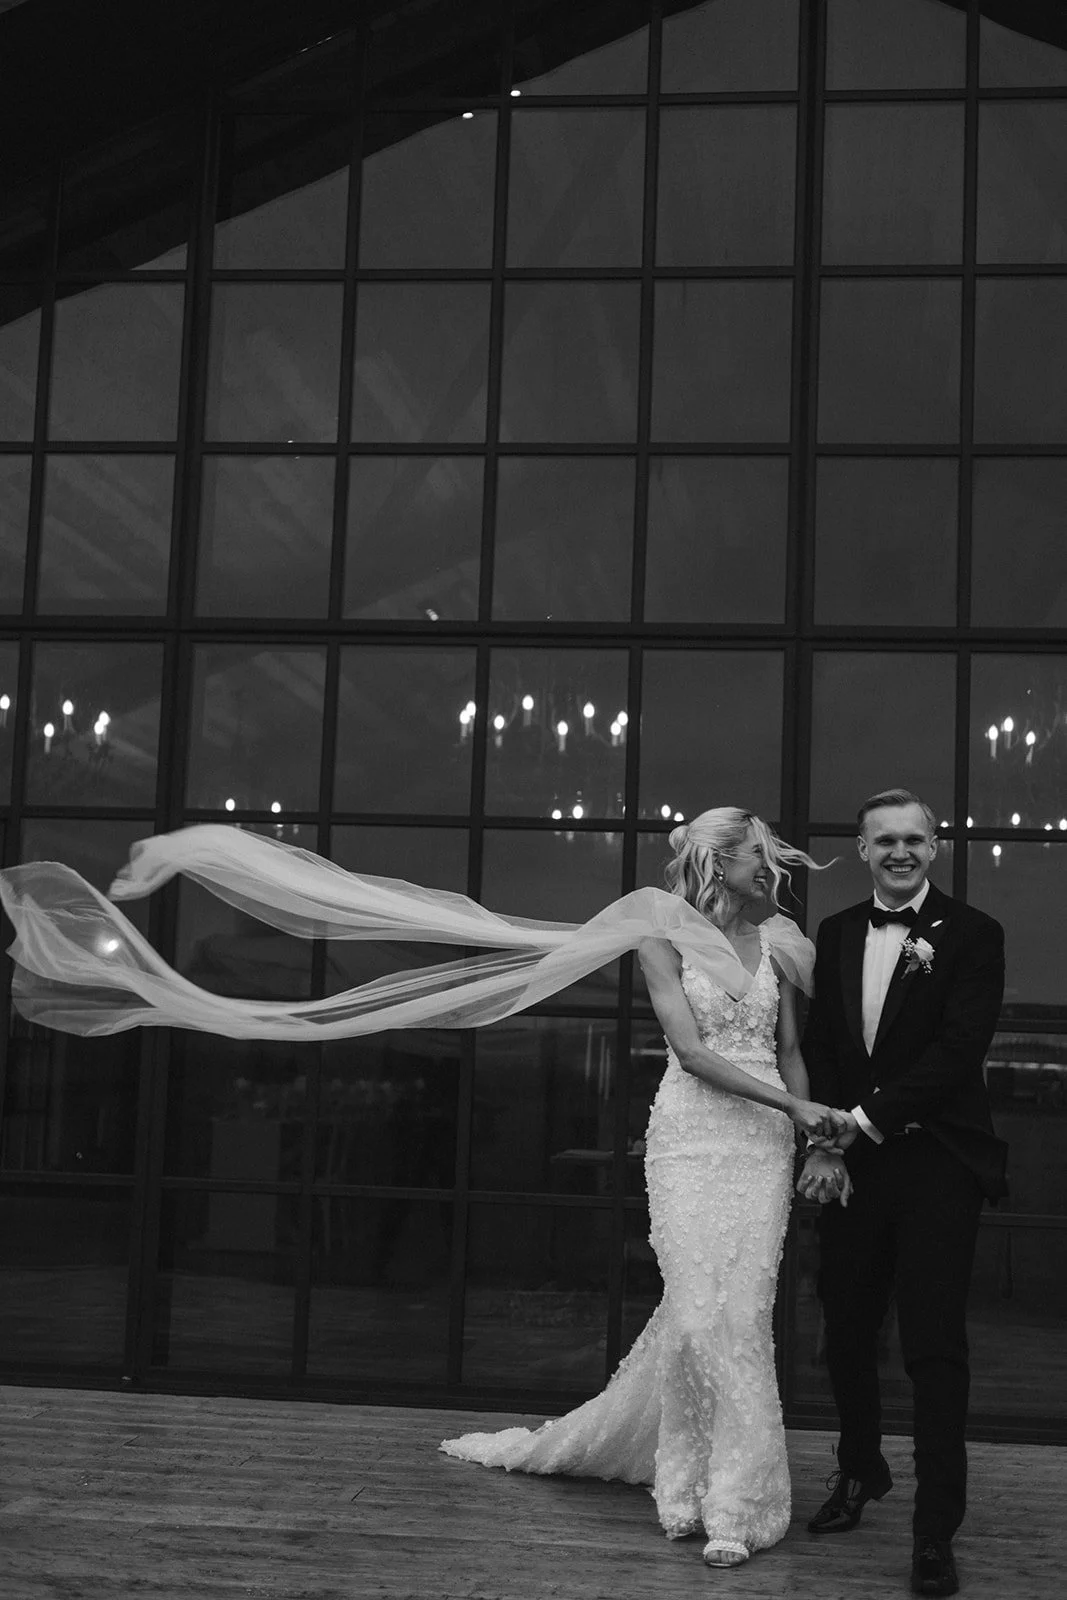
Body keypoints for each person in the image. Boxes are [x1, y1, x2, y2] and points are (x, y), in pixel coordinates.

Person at [441, 807, 844, 1569]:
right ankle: (681, 1481)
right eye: (757, 857)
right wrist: (792, 1105)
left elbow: (789, 1050)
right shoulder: (658, 939)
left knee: (742, 1315)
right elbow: (689, 1053)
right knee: (696, 1315)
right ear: (716, 862)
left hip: (759, 1148)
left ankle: (737, 1505)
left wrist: (807, 1132)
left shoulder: (784, 944)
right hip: (689, 1138)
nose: (772, 869)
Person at [797, 788, 1007, 1600]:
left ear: (933, 847)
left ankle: (933, 1531)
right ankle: (858, 1471)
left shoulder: (974, 934)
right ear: (861, 849)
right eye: (884, 840)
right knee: (846, 1328)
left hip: (934, 1166)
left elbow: (958, 1052)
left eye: (913, 840)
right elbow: (821, 1045)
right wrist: (827, 1140)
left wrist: (860, 1121)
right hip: (853, 1165)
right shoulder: (837, 931)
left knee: (931, 1347)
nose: (899, 852)